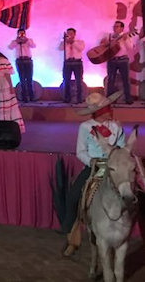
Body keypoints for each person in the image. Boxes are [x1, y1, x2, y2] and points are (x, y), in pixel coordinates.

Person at [62, 91, 125, 257]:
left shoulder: (117, 126)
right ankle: (71, 238)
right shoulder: (85, 127)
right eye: (107, 108)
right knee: (73, 197)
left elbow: (122, 147)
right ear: (99, 111)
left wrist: (116, 159)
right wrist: (92, 163)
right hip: (93, 167)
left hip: (113, 167)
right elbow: (80, 151)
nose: (111, 110)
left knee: (133, 191)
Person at [102, 21, 133, 104]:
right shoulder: (110, 36)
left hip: (123, 60)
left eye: (117, 26)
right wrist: (106, 43)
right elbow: (104, 47)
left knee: (125, 79)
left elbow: (130, 48)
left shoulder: (127, 36)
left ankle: (128, 99)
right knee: (110, 79)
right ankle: (109, 99)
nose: (115, 28)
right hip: (112, 60)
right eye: (114, 26)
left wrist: (125, 40)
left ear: (122, 28)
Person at [8, 29, 36, 102]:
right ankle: (24, 97)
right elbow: (10, 47)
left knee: (29, 78)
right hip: (19, 61)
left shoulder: (29, 40)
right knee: (22, 79)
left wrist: (26, 40)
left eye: (23, 33)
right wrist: (16, 41)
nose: (21, 35)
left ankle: (31, 96)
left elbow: (33, 46)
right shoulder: (15, 41)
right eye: (20, 33)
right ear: (17, 34)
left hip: (28, 60)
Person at [59, 28, 85, 104]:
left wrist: (73, 42)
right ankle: (67, 98)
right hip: (67, 62)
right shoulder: (64, 43)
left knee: (79, 80)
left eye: (71, 33)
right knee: (66, 80)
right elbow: (60, 49)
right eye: (68, 33)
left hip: (77, 62)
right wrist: (65, 42)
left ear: (74, 34)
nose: (69, 35)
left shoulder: (80, 42)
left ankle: (79, 98)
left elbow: (81, 48)